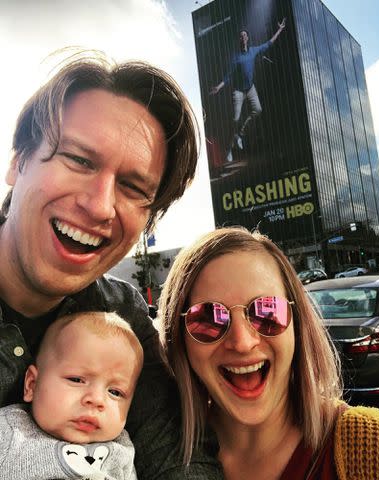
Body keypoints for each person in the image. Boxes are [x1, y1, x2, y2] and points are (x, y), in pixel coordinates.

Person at [0, 51, 223, 479]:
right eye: (79, 160)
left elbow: (180, 458)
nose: (100, 206)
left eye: (132, 186)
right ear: (17, 161)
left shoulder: (123, 316)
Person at [158, 227, 379, 479]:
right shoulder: (152, 459)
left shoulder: (374, 447)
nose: (242, 342)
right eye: (208, 318)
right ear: (179, 339)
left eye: (267, 312)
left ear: (297, 323)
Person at [0, 311, 143, 479]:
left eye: (115, 392)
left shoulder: (122, 449)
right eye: (76, 380)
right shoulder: (10, 431)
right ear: (31, 385)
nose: (96, 399)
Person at [210, 19, 286, 164]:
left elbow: (269, 43)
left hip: (250, 89)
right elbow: (228, 76)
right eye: (241, 36)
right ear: (239, 40)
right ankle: (229, 149)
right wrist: (218, 87)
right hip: (238, 91)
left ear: (248, 38)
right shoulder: (236, 58)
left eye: (245, 35)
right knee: (235, 119)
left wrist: (280, 30)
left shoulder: (254, 50)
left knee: (258, 110)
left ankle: (241, 134)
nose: (243, 37)